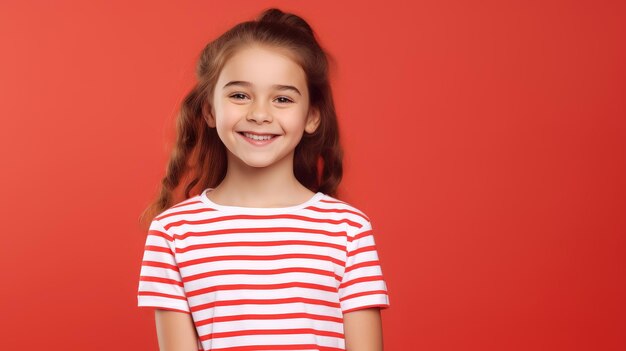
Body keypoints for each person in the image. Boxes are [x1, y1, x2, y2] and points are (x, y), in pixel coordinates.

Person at [137, 7, 390, 351]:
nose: (259, 114)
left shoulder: (347, 229)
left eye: (282, 99)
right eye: (240, 95)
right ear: (210, 110)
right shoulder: (173, 232)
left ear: (312, 116)